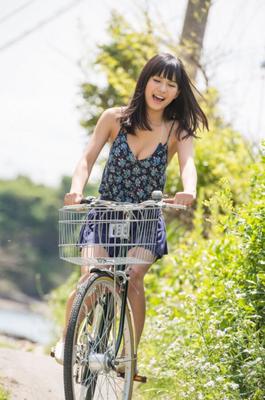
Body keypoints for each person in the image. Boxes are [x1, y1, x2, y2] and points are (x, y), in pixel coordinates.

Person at [53, 52, 208, 376]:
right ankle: (67, 340)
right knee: (90, 277)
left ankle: (128, 357)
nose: (162, 88)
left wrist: (189, 190)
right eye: (157, 79)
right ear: (145, 80)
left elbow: (188, 165)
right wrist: (77, 189)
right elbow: (87, 158)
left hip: (145, 219)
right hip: (105, 210)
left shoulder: (177, 130)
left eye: (170, 84)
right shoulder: (115, 118)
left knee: (134, 279)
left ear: (178, 92)